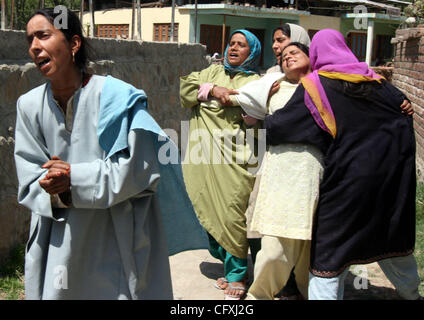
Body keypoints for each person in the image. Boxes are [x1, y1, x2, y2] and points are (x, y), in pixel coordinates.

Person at [14, 7, 207, 300]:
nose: (34, 47)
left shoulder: (119, 98)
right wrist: (51, 185)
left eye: (43, 35)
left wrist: (72, 177)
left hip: (116, 235)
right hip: (59, 237)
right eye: (30, 40)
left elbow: (138, 171)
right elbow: (29, 176)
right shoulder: (28, 106)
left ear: (74, 44)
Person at [264, 29, 422, 300]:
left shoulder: (316, 86)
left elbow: (281, 127)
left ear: (315, 54)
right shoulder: (379, 82)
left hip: (347, 185)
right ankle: (411, 294)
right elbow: (403, 112)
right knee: (393, 240)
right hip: (390, 182)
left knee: (331, 254)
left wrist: (259, 120)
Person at [179, 29, 262, 300]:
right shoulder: (209, 73)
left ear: (252, 53)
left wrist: (233, 98)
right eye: (231, 44)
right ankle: (229, 263)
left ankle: (238, 274)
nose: (234, 49)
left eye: (242, 46)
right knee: (208, 207)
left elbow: (258, 106)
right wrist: (213, 89)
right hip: (204, 156)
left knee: (232, 213)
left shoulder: (259, 81)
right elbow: (185, 89)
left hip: (239, 158)